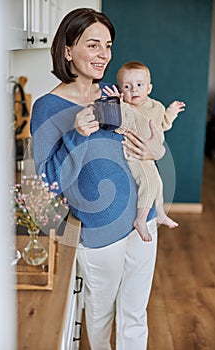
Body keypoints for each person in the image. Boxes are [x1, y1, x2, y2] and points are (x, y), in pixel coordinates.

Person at [30, 8, 166, 350]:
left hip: (143, 220)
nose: (104, 54)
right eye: (93, 45)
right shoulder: (47, 108)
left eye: (107, 45)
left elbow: (147, 144)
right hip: (100, 230)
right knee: (101, 315)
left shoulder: (111, 95)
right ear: (67, 50)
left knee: (135, 313)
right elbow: (48, 180)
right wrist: (75, 134)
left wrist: (154, 150)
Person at [103, 61, 185, 241]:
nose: (134, 90)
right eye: (127, 86)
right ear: (120, 89)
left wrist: (172, 112)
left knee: (158, 183)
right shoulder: (125, 108)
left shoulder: (156, 107)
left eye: (139, 85)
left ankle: (160, 212)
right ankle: (140, 220)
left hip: (150, 157)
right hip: (134, 153)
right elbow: (119, 126)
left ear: (149, 88)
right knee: (148, 183)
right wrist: (117, 104)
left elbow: (163, 123)